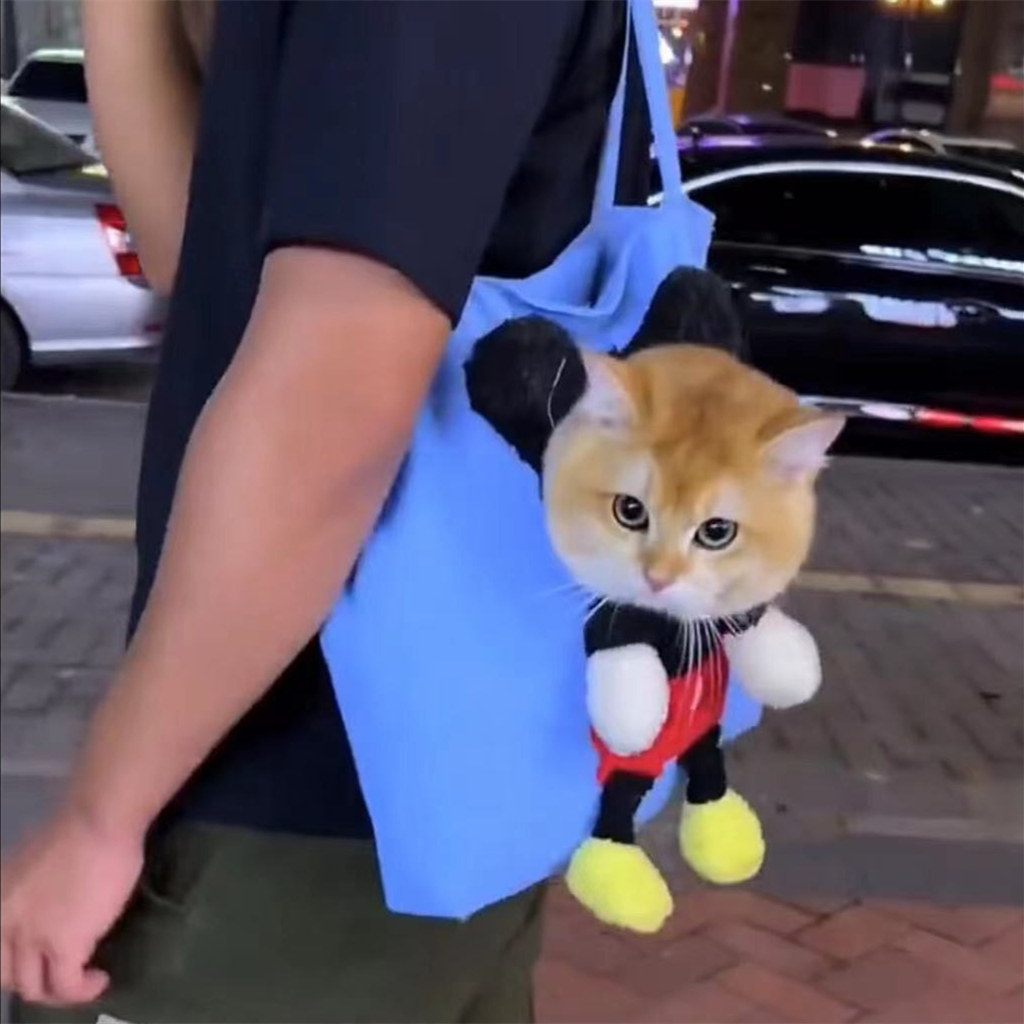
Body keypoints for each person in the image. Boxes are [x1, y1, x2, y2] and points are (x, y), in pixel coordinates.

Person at [1, 1, 651, 1019]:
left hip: (303, 800)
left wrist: (101, 815)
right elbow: (200, 258)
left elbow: (337, 381)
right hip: (411, 785)